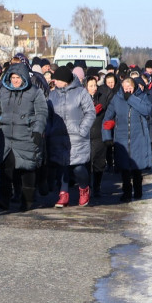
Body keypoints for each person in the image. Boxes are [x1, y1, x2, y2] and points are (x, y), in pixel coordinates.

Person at [0, 62, 47, 212]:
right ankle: (4, 200)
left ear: (24, 78)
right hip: (7, 137)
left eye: (18, 77)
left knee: (27, 170)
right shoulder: (3, 91)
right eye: (13, 77)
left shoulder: (35, 92)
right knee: (5, 170)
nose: (15, 80)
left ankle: (27, 201)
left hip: (26, 136)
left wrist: (38, 131)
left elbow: (42, 113)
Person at [46, 65, 96, 207]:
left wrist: (82, 130)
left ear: (65, 80)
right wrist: (50, 130)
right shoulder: (53, 94)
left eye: (57, 79)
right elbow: (48, 116)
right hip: (57, 136)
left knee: (78, 167)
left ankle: (84, 188)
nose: (54, 82)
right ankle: (63, 194)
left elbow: (90, 113)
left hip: (76, 137)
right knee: (62, 167)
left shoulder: (81, 93)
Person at [102, 74, 152, 202]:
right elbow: (107, 118)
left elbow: (147, 110)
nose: (127, 90)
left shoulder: (141, 96)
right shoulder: (117, 99)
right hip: (122, 137)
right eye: (125, 87)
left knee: (136, 167)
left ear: (134, 87)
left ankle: (138, 188)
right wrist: (107, 137)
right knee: (124, 168)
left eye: (129, 87)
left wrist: (131, 98)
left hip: (138, 136)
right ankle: (126, 191)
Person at [86, 75, 114, 198]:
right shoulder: (82, 99)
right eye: (91, 86)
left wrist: (111, 122)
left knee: (99, 163)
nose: (93, 88)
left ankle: (97, 187)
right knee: (86, 164)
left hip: (99, 134)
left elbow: (110, 113)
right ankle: (86, 187)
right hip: (86, 136)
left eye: (95, 85)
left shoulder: (102, 99)